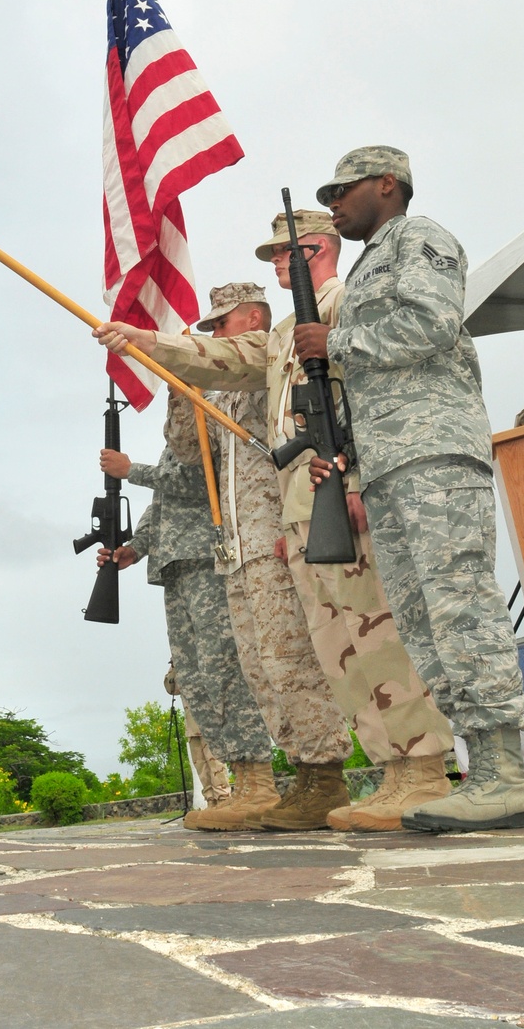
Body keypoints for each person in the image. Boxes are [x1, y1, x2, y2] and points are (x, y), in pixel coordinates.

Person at [295, 145, 524, 832]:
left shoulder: (419, 238)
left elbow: (430, 326)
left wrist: (332, 341)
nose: (334, 203)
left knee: (459, 606)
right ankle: (481, 773)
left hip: (434, 453)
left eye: (344, 190)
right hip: (389, 465)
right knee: (426, 623)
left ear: (387, 185)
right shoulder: (374, 260)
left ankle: (504, 775)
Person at [98, 286, 354, 832]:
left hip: (277, 530)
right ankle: (295, 778)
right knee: (260, 667)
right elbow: (190, 456)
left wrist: (173, 352)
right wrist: (179, 385)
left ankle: (319, 774)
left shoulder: (270, 362)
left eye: (222, 324)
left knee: (287, 657)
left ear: (255, 318)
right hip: (231, 542)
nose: (213, 335)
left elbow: (188, 473)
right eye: (208, 329)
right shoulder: (219, 394)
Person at [95, 442, 281, 829]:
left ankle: (259, 784)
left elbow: (202, 481)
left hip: (207, 556)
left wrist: (132, 471)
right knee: (195, 680)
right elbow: (163, 504)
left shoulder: (203, 415)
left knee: (223, 670)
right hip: (174, 566)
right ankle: (241, 785)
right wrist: (137, 547)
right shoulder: (175, 437)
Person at [163, 662, 232, 808]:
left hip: (211, 723)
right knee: (201, 767)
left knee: (216, 764)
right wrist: (174, 666)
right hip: (193, 726)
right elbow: (172, 688)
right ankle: (211, 802)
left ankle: (224, 800)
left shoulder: (203, 660)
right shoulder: (181, 667)